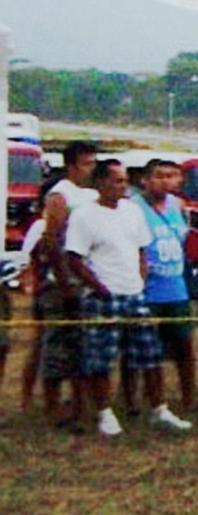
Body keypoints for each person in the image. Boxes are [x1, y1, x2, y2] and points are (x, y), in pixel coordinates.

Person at [66, 160, 190, 435]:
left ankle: (159, 409)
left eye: (124, 180)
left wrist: (141, 280)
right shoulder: (84, 215)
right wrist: (98, 287)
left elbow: (142, 250)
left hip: (134, 293)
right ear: (100, 182)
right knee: (101, 358)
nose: (123, 186)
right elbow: (74, 258)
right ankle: (104, 413)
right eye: (117, 180)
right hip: (102, 296)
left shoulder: (132, 211)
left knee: (149, 354)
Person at [38, 140, 98, 426]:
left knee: (82, 348)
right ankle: (51, 406)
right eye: (87, 163)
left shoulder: (92, 195)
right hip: (63, 281)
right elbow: (51, 241)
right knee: (57, 346)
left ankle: (80, 404)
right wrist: (63, 282)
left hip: (89, 279)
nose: (92, 169)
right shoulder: (60, 195)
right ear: (72, 165)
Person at [133, 159, 197, 411]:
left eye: (171, 176)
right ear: (145, 180)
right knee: (149, 349)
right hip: (148, 289)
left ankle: (189, 398)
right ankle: (152, 400)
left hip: (176, 286)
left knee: (184, 346)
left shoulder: (178, 205)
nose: (165, 181)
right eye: (159, 176)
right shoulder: (134, 207)